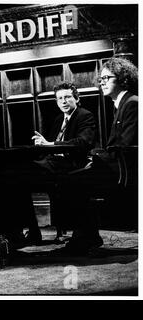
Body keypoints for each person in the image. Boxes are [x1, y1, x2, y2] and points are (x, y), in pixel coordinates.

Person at [57, 57, 138, 255]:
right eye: (100, 79)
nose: (101, 82)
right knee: (72, 179)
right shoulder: (121, 103)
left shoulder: (132, 103)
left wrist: (96, 154)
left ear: (123, 79)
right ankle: (87, 236)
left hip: (127, 172)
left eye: (106, 78)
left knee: (73, 182)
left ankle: (86, 238)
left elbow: (126, 146)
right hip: (118, 166)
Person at [30, 82, 96, 244]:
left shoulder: (84, 115)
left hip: (72, 163)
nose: (63, 101)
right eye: (59, 98)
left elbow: (82, 142)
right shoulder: (59, 118)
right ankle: (32, 231)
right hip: (53, 163)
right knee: (19, 176)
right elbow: (51, 145)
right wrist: (43, 144)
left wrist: (50, 144)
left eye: (67, 97)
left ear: (77, 98)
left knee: (25, 173)